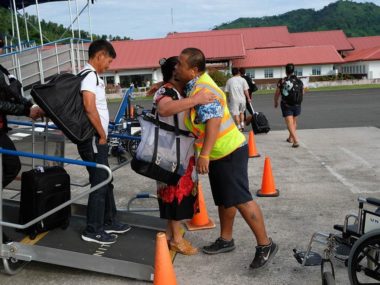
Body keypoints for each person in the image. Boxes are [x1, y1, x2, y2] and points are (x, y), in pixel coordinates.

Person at [175, 47, 278, 269]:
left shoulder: (204, 89)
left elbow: (212, 124)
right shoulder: (194, 86)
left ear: (193, 70)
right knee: (225, 199)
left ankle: (265, 244)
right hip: (220, 152)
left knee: (240, 198)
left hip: (228, 151)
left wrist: (204, 154)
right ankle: (226, 239)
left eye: (180, 64)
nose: (176, 67)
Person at [151, 56, 215, 255]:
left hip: (180, 152)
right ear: (174, 73)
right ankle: (177, 240)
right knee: (174, 195)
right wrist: (196, 100)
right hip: (170, 153)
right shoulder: (167, 91)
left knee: (178, 195)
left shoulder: (177, 91)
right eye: (180, 66)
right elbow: (164, 109)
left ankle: (171, 235)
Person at [77, 39, 130, 245]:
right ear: (99, 56)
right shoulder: (90, 76)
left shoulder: (88, 75)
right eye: (108, 61)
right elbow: (89, 106)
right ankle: (93, 229)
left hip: (95, 136)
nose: (109, 65)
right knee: (99, 183)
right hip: (93, 138)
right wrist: (101, 134)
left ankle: (108, 220)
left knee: (105, 181)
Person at [274, 63, 303, 148]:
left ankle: (296, 140)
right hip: (297, 104)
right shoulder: (299, 80)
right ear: (293, 70)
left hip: (287, 104)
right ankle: (290, 138)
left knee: (289, 123)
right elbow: (302, 92)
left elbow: (277, 93)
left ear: (286, 71)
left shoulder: (282, 81)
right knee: (294, 121)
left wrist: (276, 101)